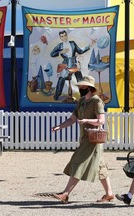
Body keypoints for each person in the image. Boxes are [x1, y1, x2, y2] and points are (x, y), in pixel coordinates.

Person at [51, 75, 114, 203]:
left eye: (83, 86)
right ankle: (109, 194)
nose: (80, 88)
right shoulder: (81, 101)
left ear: (90, 87)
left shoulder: (97, 101)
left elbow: (101, 120)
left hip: (93, 139)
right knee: (100, 167)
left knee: (78, 162)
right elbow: (72, 119)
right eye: (80, 86)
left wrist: (86, 120)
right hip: (86, 138)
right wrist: (60, 126)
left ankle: (66, 193)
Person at [50, 30, 94, 101]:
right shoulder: (60, 45)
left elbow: (80, 51)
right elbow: (52, 54)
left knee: (80, 79)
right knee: (61, 78)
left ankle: (83, 95)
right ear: (60, 38)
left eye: (65, 35)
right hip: (65, 64)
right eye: (62, 36)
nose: (64, 37)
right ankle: (57, 95)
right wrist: (61, 51)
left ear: (67, 35)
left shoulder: (72, 43)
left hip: (74, 63)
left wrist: (89, 46)